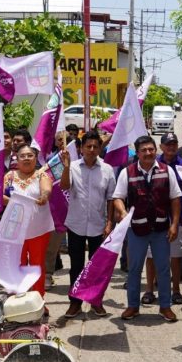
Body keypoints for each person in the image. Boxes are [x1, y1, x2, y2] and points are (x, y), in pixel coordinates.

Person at [113, 135, 182, 322]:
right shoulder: (127, 172)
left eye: (151, 149)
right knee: (134, 269)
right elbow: (118, 197)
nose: (148, 153)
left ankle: (165, 306)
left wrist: (174, 224)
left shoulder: (167, 171)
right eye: (144, 150)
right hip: (137, 229)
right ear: (137, 153)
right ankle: (133, 306)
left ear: (156, 150)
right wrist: (122, 211)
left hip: (161, 229)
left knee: (163, 269)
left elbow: (175, 199)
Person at [61, 130, 116, 318]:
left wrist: (109, 222)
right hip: (75, 224)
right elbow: (64, 186)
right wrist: (66, 167)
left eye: (95, 146)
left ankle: (95, 301)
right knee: (76, 266)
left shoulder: (107, 170)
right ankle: (75, 302)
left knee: (97, 267)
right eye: (88, 146)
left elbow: (111, 198)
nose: (92, 150)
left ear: (100, 148)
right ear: (81, 149)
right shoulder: (73, 167)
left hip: (98, 226)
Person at [2, 145, 53, 300]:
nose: (26, 158)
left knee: (37, 265)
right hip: (15, 230)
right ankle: (20, 299)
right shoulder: (9, 176)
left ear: (35, 158)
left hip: (39, 229)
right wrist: (17, 203)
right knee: (18, 264)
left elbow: (46, 190)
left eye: (30, 155)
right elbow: (1, 197)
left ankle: (38, 300)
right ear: (16, 159)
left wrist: (44, 196)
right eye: (22, 156)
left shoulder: (41, 175)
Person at [148, 132, 182, 305]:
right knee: (151, 256)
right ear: (161, 147)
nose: (171, 147)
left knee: (176, 256)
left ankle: (176, 290)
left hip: (177, 217)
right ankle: (150, 290)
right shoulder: (153, 163)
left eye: (174, 144)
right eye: (168, 144)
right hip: (155, 217)